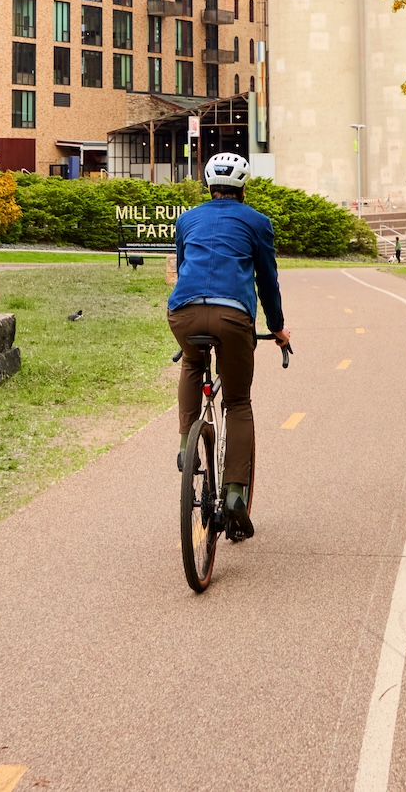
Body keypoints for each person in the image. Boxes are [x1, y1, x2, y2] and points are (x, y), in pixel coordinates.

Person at [166, 151, 290, 541]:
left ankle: (187, 444)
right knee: (237, 401)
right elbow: (267, 281)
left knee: (190, 362)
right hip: (233, 317)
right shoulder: (257, 222)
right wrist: (278, 328)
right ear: (243, 187)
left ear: (207, 184)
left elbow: (186, 265)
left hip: (183, 313)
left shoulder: (186, 220)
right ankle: (235, 491)